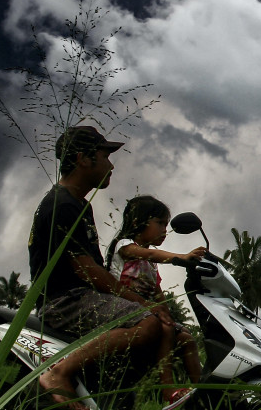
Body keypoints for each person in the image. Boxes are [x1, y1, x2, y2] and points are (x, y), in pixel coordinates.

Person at [28, 126, 176, 409]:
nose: (111, 164)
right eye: (105, 155)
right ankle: (59, 372)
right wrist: (141, 302)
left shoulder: (78, 204)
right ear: (83, 158)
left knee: (170, 331)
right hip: (65, 300)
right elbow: (86, 270)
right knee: (149, 323)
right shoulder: (61, 204)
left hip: (82, 298)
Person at [105, 195, 204, 392]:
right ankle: (169, 390)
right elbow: (150, 254)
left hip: (146, 312)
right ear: (139, 221)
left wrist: (169, 315)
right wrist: (181, 257)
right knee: (165, 330)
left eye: (166, 225)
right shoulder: (124, 246)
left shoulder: (150, 264)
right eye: (159, 223)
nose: (164, 230)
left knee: (186, 339)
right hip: (120, 308)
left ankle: (203, 391)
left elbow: (157, 292)